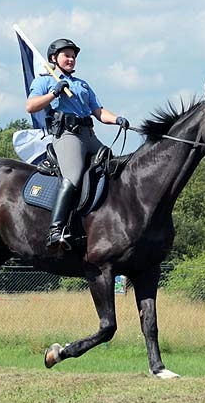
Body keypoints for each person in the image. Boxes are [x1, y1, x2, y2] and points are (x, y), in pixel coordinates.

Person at [26, 37, 129, 250]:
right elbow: (31, 106)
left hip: (88, 134)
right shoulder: (45, 81)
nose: (71, 59)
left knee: (113, 167)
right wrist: (54, 92)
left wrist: (117, 119)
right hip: (67, 135)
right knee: (72, 177)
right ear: (54, 58)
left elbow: (98, 111)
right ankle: (56, 230)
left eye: (73, 56)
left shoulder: (82, 85)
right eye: (67, 55)